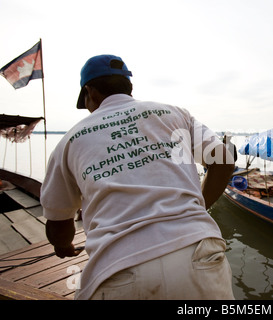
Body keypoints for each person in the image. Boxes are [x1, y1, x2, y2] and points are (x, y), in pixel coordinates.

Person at [40, 54, 236, 300]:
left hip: (117, 270)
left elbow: (58, 223)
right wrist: (196, 207)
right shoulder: (176, 114)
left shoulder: (70, 140)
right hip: (199, 254)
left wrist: (63, 246)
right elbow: (224, 161)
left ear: (90, 92)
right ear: (129, 86)